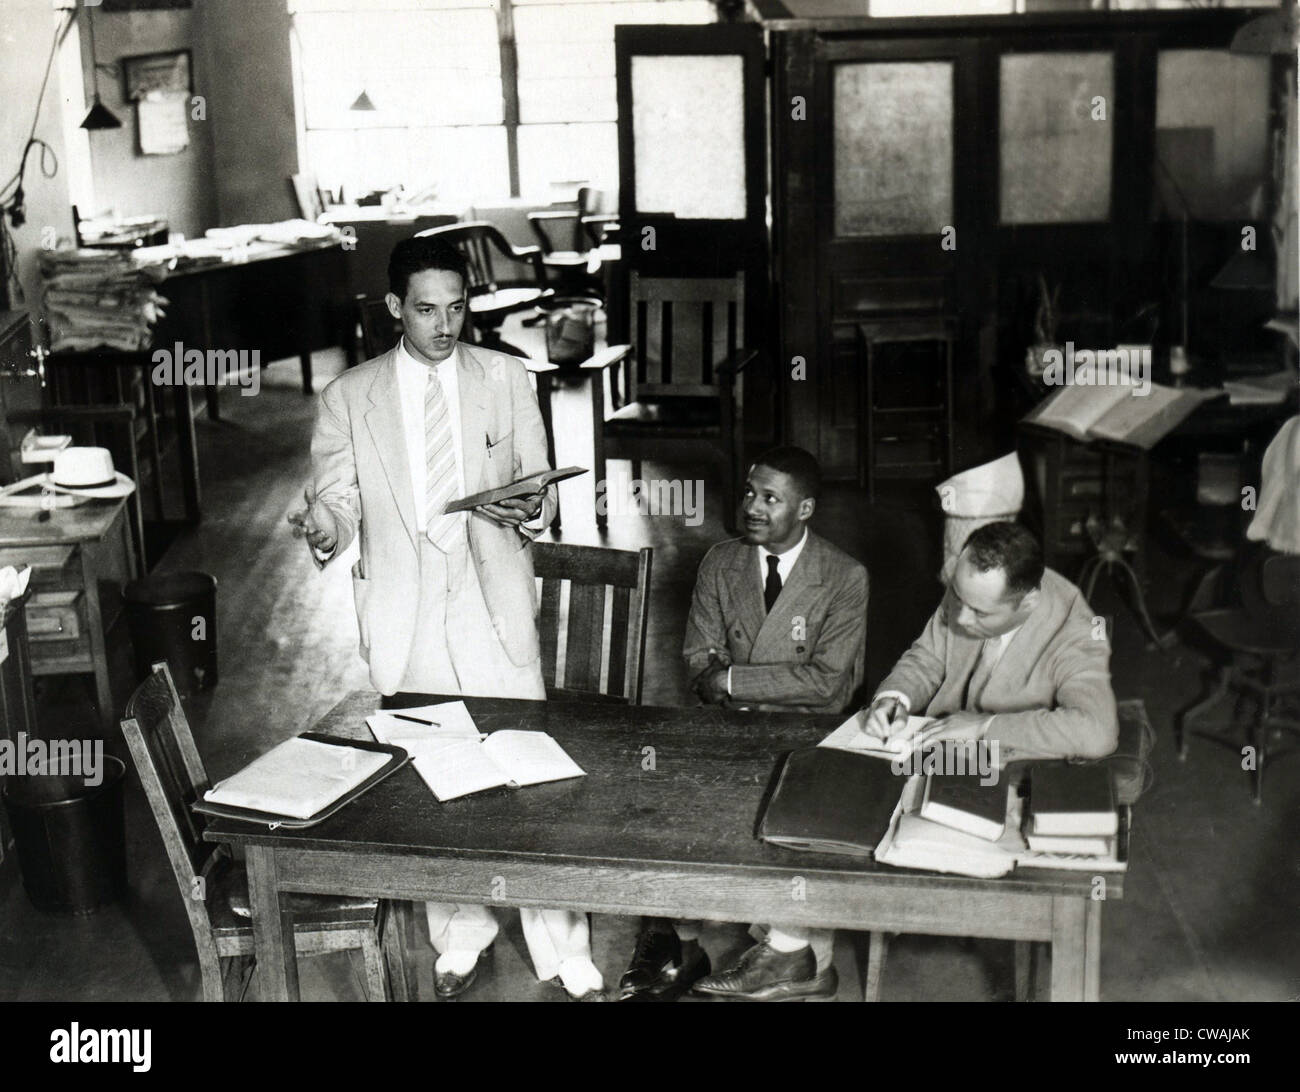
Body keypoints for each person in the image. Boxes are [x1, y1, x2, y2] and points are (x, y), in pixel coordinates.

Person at [289, 235, 604, 1001]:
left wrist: (532, 501)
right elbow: (336, 495)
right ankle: (461, 933)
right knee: (438, 781)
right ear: (395, 307)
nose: (444, 324)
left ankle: (564, 946)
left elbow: (541, 484)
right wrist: (329, 526)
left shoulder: (504, 376)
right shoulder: (349, 396)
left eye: (457, 307)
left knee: (534, 782)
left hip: (492, 602)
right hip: (408, 613)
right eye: (426, 309)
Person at [618, 446, 868, 1002]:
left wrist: (735, 683)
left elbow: (829, 684)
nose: (753, 507)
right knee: (665, 804)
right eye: (750, 493)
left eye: (770, 498)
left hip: (806, 735)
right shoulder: (721, 562)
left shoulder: (845, 576)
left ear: (804, 509)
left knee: (795, 822)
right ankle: (677, 942)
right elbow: (697, 660)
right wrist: (733, 682)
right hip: (728, 729)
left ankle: (789, 956)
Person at [861, 520, 1118, 763]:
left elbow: (1097, 732)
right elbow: (927, 659)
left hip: (1012, 763)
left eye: (980, 613)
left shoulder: (1072, 630)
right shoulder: (970, 589)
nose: (961, 618)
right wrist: (895, 699)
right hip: (940, 751)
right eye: (958, 599)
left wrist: (984, 727)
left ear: (1027, 603)